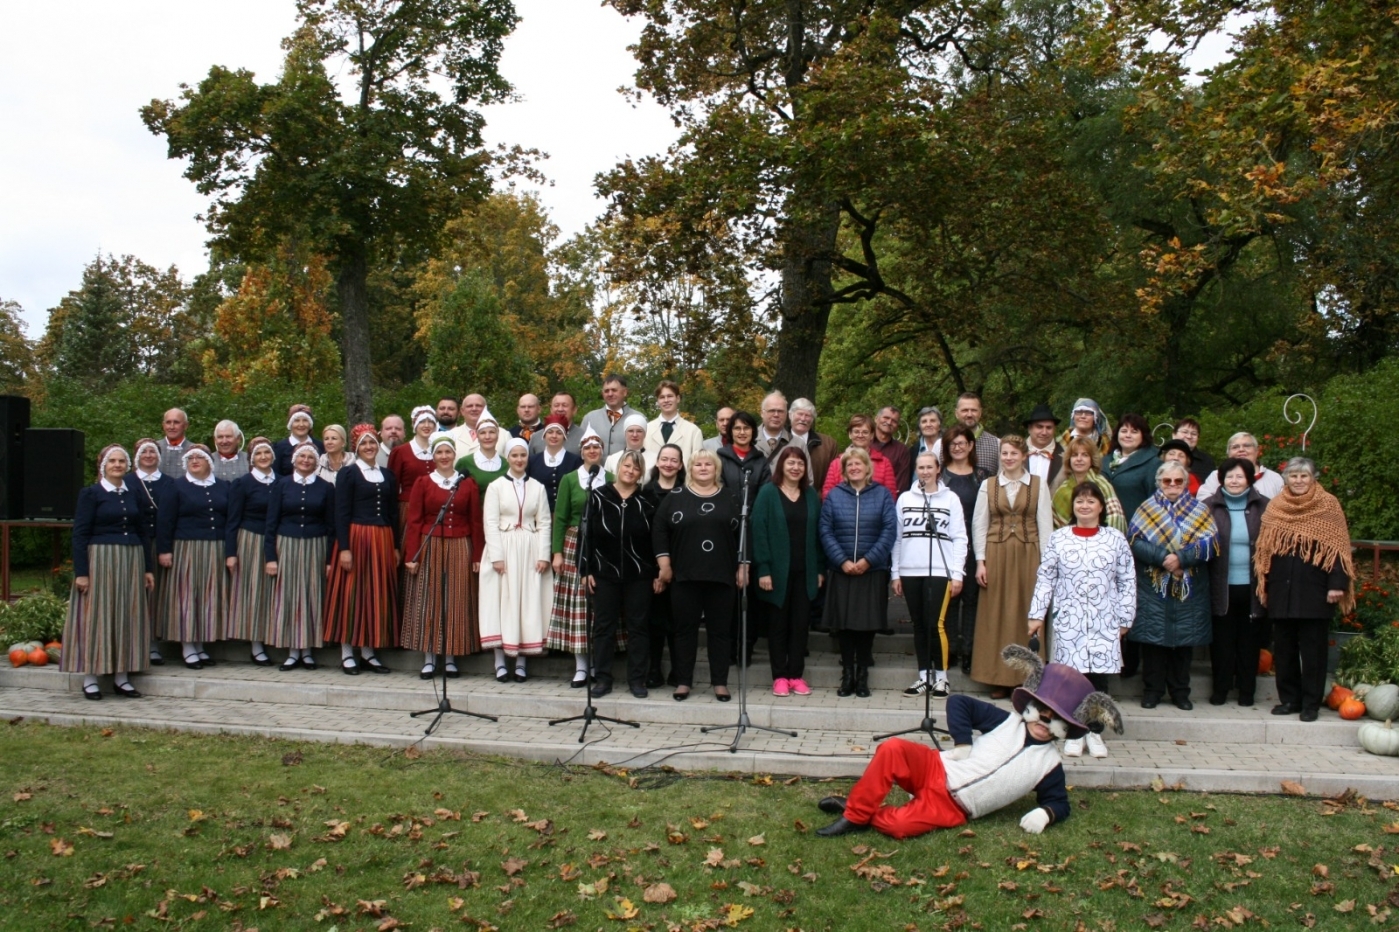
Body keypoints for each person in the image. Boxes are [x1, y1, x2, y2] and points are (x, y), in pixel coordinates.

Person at [813, 645, 1122, 838]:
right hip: (937, 768)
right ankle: (855, 815)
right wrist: (963, 743)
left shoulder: (1049, 766)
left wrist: (1046, 814)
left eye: (1054, 720)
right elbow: (959, 703)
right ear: (1030, 707)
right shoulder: (1006, 721)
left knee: (899, 827)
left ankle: (861, 812)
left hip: (953, 807)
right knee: (893, 749)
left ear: (1065, 728)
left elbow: (1059, 802)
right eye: (1040, 712)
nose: (1043, 723)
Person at [1028, 482, 1136, 758]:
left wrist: (1125, 618)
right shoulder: (1059, 538)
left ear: (1101, 507)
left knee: (1098, 679)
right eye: (1079, 501)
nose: (1084, 506)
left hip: (1104, 619)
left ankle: (1095, 731)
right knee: (1069, 678)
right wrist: (1036, 615)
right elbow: (1046, 577)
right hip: (1069, 620)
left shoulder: (1115, 539)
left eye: (1090, 501)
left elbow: (1127, 580)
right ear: (1073, 507)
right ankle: (1072, 731)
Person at [1254, 457, 1355, 722]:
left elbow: (1339, 549)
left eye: (1304, 476)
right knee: (1285, 650)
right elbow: (1265, 550)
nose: (1298, 481)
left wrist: (1337, 585)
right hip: (1281, 590)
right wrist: (1264, 585)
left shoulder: (1328, 505)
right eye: (1293, 476)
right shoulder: (1275, 507)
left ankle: (1311, 703)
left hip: (1315, 591)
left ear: (1313, 478)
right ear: (1285, 479)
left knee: (1313, 653)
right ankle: (1289, 700)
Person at [63, 445, 156, 700]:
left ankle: (122, 677)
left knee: (127, 613)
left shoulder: (133, 493)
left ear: (127, 466)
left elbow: (142, 532)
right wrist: (82, 572)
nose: (117, 465)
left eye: (121, 461)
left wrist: (148, 568)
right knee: (98, 615)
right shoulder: (91, 493)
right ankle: (91, 678)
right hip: (101, 559)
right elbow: (80, 534)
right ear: (103, 465)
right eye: (112, 461)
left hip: (131, 560)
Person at [653, 449, 745, 701]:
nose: (703, 468)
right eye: (698, 465)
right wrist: (664, 564)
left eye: (708, 464)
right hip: (684, 575)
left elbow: (744, 535)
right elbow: (659, 530)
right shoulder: (676, 497)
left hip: (722, 575)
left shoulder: (731, 498)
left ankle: (720, 683)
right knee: (684, 630)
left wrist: (743, 566)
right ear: (690, 469)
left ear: (716, 469)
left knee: (720, 631)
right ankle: (683, 681)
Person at [1126, 460, 1218, 711]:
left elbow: (1210, 544)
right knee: (1154, 643)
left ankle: (1180, 693)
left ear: (1186, 483)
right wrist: (1163, 559)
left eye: (1178, 481)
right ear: (1159, 483)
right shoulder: (1146, 509)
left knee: (1183, 644)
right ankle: (1152, 692)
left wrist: (1182, 559)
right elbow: (1134, 541)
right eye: (1167, 481)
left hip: (1189, 586)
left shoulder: (1200, 510)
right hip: (1152, 586)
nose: (1173, 485)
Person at [972, 435, 1053, 697]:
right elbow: (980, 525)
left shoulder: (1038, 485)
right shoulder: (989, 484)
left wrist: (1045, 565)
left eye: (1013, 454)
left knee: (1026, 613)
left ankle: (1027, 677)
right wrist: (980, 562)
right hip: (996, 554)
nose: (1008, 458)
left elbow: (1046, 527)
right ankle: (998, 677)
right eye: (1004, 453)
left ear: (1024, 456)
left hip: (1029, 554)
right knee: (995, 615)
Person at [402, 434, 485, 680]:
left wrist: (477, 554)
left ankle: (450, 658)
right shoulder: (423, 482)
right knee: (430, 598)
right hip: (431, 545)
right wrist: (412, 555)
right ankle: (429, 658)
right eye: (440, 453)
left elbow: (475, 521)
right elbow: (414, 521)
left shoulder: (467, 484)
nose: (444, 457)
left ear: (454, 455)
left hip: (461, 544)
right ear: (434, 457)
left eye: (448, 452)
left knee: (456, 599)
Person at [820, 448, 899, 699]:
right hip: (841, 570)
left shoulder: (882, 495)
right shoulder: (834, 496)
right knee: (844, 625)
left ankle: (863, 674)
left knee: (866, 626)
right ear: (843, 470)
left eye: (859, 463)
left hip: (871, 570)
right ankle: (847, 675)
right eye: (850, 464)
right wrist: (841, 560)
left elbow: (889, 530)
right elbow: (825, 530)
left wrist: (868, 560)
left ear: (868, 468)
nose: (854, 467)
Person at [323, 424, 399, 675]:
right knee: (351, 594)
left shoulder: (387, 475)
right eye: (364, 444)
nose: (369, 447)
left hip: (382, 539)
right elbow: (340, 512)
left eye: (372, 443)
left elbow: (392, 514)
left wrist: (396, 546)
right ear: (356, 447)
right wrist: (344, 548)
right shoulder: (348, 474)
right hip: (357, 537)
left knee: (374, 594)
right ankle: (347, 652)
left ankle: (368, 652)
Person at [891, 452, 967, 699]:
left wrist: (957, 573)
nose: (924, 472)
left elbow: (959, 538)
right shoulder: (904, 498)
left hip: (939, 571)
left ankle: (942, 678)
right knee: (919, 625)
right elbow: (897, 538)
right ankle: (924, 675)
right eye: (920, 467)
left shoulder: (951, 499)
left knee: (936, 624)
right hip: (910, 570)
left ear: (937, 470)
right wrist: (896, 573)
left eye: (929, 467)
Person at [583, 450, 658, 698]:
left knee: (639, 628)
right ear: (618, 468)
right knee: (603, 628)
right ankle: (602, 679)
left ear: (641, 473)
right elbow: (587, 536)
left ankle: (637, 680)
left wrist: (658, 572)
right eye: (626, 466)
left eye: (636, 468)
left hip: (640, 574)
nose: (630, 471)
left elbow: (656, 540)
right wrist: (585, 569)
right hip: (605, 572)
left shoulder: (648, 500)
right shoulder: (598, 497)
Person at [479, 437, 553, 683]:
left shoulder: (538, 487)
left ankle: (521, 662)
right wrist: (496, 556)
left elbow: (544, 522)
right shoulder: (496, 486)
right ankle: (500, 662)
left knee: (526, 602)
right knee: (502, 602)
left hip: (530, 549)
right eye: (514, 456)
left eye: (523, 456)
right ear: (507, 458)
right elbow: (490, 522)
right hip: (504, 546)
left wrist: (543, 555)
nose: (519, 460)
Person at [752, 446, 822, 697]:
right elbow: (758, 532)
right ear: (781, 465)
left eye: (800, 464)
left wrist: (819, 569)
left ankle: (796, 675)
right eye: (790, 463)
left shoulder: (811, 495)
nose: (795, 468)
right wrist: (763, 569)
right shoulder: (768, 493)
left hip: (805, 572)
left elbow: (818, 536)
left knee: (800, 626)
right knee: (778, 626)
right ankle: (779, 676)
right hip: (776, 574)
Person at [546, 426, 612, 688]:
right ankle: (581, 666)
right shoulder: (570, 479)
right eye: (587, 448)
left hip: (604, 544)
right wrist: (557, 552)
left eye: (596, 447)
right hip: (576, 544)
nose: (592, 451)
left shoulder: (612, 477)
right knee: (579, 607)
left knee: (601, 606)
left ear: (602, 451)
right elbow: (560, 517)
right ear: (581, 452)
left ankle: (599, 663)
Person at [1201, 458, 1268, 707]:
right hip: (1220, 586)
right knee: (1222, 643)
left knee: (1249, 644)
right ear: (1221, 479)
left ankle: (1246, 692)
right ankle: (1220, 689)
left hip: (1252, 587)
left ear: (1249, 479)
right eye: (1230, 477)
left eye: (1240, 477)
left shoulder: (1265, 507)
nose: (1235, 481)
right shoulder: (1208, 507)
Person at [156, 444, 229, 670]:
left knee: (207, 597)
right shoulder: (176, 487)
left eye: (200, 457)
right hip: (186, 547)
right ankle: (187, 646)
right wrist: (164, 549)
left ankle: (200, 644)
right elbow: (165, 520)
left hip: (215, 548)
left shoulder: (223, 486)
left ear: (210, 461)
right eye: (191, 458)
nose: (195, 460)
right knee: (187, 596)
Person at [264, 443, 336, 670]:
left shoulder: (326, 487)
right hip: (287, 544)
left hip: (316, 544)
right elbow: (271, 523)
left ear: (317, 462)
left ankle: (308, 651)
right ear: (294, 460)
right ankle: (292, 651)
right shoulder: (282, 484)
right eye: (302, 456)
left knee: (312, 595)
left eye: (311, 457)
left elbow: (331, 525)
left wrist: (328, 560)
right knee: (290, 595)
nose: (306, 460)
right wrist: (270, 557)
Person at [225, 437, 278, 665]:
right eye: (258, 454)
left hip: (277, 541)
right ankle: (256, 644)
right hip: (251, 540)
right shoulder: (243, 483)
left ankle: (274, 636)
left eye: (267, 453)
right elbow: (232, 520)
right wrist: (231, 552)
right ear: (251, 459)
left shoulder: (282, 482)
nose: (263, 457)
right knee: (255, 592)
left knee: (273, 592)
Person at [941, 425, 988, 676]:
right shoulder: (941, 477)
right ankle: (949, 650)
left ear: (971, 445)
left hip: (975, 545)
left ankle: (969, 652)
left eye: (962, 443)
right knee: (948, 600)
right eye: (952, 444)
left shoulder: (983, 476)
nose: (957, 448)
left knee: (971, 601)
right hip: (945, 548)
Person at [641, 443, 685, 687]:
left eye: (674, 460)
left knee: (679, 622)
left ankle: (679, 671)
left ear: (680, 465)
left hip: (682, 568)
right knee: (654, 623)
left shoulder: (688, 493)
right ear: (657, 463)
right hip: (652, 569)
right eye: (664, 459)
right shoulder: (646, 493)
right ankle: (653, 670)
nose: (668, 464)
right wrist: (658, 572)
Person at [132, 438, 174, 667]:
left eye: (153, 451)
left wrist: (165, 548)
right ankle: (135, 642)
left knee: (156, 595)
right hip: (134, 545)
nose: (149, 455)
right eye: (144, 451)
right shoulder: (128, 481)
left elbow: (168, 518)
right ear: (137, 455)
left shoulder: (168, 482)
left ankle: (153, 643)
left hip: (158, 544)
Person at [1050, 438, 1127, 533]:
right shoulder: (1062, 490)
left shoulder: (1102, 485)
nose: (1079, 459)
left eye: (1085, 455)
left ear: (1092, 459)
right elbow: (1055, 528)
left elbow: (1115, 519)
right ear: (1069, 459)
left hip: (1101, 543)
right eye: (1074, 455)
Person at [822, 414, 897, 500]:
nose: (860, 435)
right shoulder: (836, 463)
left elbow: (891, 496)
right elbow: (827, 495)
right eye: (856, 431)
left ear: (872, 435)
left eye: (865, 432)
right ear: (850, 434)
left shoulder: (884, 463)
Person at [1102, 413, 1159, 525]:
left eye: (1134, 432)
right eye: (1124, 431)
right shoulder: (1104, 460)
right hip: (1104, 529)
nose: (1128, 435)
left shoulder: (1154, 463)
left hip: (1136, 530)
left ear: (1143, 436)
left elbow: (1156, 503)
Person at [389, 406, 439, 534]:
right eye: (422, 421)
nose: (427, 425)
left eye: (431, 422)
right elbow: (392, 488)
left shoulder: (441, 451)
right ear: (414, 424)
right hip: (408, 507)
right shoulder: (400, 452)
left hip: (436, 509)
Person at [1197, 432, 1285, 499]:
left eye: (1247, 446)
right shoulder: (1216, 476)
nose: (1241, 450)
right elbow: (1203, 502)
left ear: (1257, 451)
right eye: (1235, 447)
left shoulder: (1274, 478)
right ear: (1228, 453)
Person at [717, 410, 772, 508]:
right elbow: (718, 490)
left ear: (753, 431)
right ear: (730, 431)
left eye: (746, 428)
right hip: (726, 517)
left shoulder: (761, 461)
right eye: (737, 428)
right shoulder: (719, 458)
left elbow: (765, 494)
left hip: (754, 518)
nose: (742, 432)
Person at [526, 417, 583, 511]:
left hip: (567, 515)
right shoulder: (532, 461)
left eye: (559, 433)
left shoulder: (576, 461)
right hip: (538, 514)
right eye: (550, 432)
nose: (554, 436)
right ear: (544, 435)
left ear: (565, 436)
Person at [644, 380, 704, 465]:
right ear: (657, 401)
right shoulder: (646, 430)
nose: (666, 400)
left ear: (678, 398)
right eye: (662, 397)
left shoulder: (693, 431)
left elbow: (698, 464)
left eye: (670, 396)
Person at [581, 374, 641, 459]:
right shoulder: (590, 418)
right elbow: (581, 449)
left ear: (625, 392)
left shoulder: (638, 418)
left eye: (614, 390)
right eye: (606, 391)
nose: (610, 394)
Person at [456, 408, 508, 502]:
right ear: (477, 436)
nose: (487, 437)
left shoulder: (507, 464)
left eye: (491, 432)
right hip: (474, 514)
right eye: (483, 433)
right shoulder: (465, 463)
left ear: (497, 435)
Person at [789, 398, 839, 491]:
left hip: (817, 501)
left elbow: (834, 476)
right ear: (790, 415)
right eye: (800, 414)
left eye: (808, 415)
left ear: (812, 419)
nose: (803, 419)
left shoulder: (828, 444)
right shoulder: (779, 441)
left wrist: (818, 498)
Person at [955, 393, 1000, 476]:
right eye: (964, 410)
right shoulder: (942, 444)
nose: (969, 414)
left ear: (980, 413)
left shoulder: (997, 444)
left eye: (974, 410)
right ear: (956, 413)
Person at [273, 404, 323, 476]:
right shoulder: (279, 447)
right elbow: (276, 475)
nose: (301, 424)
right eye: (297, 420)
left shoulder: (320, 446)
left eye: (305, 420)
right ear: (290, 424)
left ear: (310, 424)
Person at [872, 405, 912, 492]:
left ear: (897, 426)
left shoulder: (902, 450)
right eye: (886, 418)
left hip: (889, 501)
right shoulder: (864, 444)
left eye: (894, 421)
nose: (889, 422)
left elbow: (902, 484)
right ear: (876, 419)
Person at [1022, 404, 1062, 487]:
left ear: (1054, 429)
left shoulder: (1065, 454)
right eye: (1039, 427)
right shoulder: (1015, 452)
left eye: (1049, 428)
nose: (1044, 432)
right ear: (1030, 428)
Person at [1174, 418, 1215, 483]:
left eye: (1194, 434)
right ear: (1174, 434)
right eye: (1185, 432)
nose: (1189, 436)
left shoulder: (1206, 461)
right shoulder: (1162, 457)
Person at [448, 393, 488, 458]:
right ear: (462, 411)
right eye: (469, 406)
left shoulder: (503, 435)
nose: (474, 409)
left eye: (478, 405)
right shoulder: (451, 435)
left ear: (486, 409)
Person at [756, 391, 792, 461]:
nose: (776, 415)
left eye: (780, 411)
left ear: (786, 414)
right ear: (762, 413)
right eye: (771, 410)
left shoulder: (798, 444)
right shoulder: (748, 441)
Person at [158, 408, 192, 479]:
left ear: (186, 425)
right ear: (163, 425)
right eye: (168, 422)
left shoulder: (194, 450)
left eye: (176, 422)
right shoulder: (153, 449)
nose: (172, 427)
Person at [910, 406, 943, 471]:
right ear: (920, 427)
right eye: (924, 421)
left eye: (932, 421)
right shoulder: (913, 451)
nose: (928, 424)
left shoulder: (948, 446)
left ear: (939, 426)